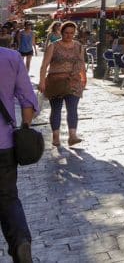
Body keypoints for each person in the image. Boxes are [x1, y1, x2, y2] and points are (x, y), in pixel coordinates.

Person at [1, 41, 38, 263]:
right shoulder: (12, 58)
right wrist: (24, 127)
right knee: (8, 198)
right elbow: (28, 102)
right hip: (3, 143)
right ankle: (21, 241)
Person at [38, 21, 86, 148]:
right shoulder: (53, 46)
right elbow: (44, 65)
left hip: (73, 81)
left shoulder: (79, 46)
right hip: (55, 81)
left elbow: (81, 63)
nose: (69, 35)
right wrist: (42, 81)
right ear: (61, 32)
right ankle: (56, 136)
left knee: (72, 109)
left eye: (72, 33)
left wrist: (84, 78)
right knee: (56, 109)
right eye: (66, 33)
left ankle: (72, 136)